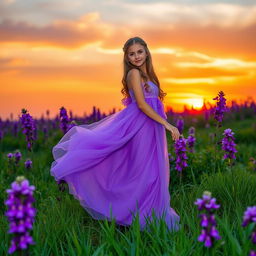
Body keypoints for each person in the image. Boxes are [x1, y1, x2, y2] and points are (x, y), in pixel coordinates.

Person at [50, 36, 181, 232]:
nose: (136, 56)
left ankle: (153, 215)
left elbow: (153, 103)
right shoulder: (134, 74)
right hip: (141, 129)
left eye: (139, 52)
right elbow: (143, 105)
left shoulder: (149, 76)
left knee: (155, 173)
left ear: (146, 52)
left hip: (152, 128)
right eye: (131, 54)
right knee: (143, 173)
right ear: (127, 58)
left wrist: (161, 124)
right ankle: (132, 216)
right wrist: (168, 125)